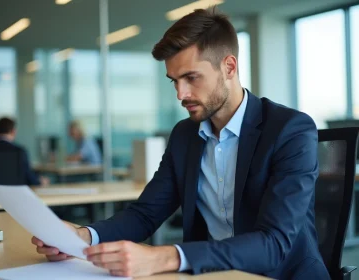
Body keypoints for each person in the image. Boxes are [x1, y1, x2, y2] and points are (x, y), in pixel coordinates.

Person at [32, 9, 329, 279]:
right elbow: (145, 214)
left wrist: (166, 256)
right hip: (214, 273)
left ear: (228, 67)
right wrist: (84, 236)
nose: (180, 94)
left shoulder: (290, 130)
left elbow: (274, 244)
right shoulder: (185, 135)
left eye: (190, 77)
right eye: (174, 80)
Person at [0, 117, 49, 186]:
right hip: (15, 193)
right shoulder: (20, 151)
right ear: (13, 131)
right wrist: (40, 181)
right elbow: (28, 177)